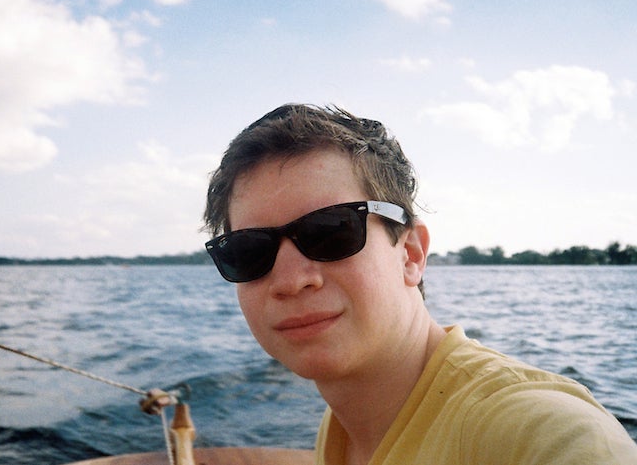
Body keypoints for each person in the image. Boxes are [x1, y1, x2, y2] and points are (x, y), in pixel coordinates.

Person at [202, 103, 637, 465]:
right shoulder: (344, 427)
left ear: (410, 254)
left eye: (331, 232)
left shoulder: (540, 435)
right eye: (248, 251)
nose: (292, 280)